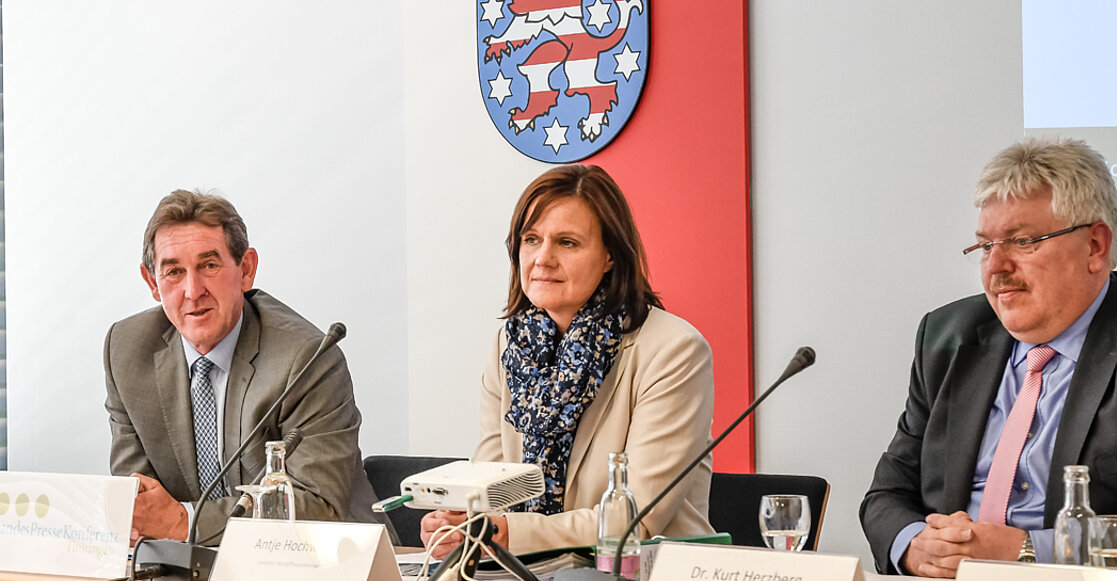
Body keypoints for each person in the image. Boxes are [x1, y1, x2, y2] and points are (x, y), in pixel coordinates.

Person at [860, 138, 1117, 581]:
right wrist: (916, 547)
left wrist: (1027, 551)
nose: (996, 266)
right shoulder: (949, 336)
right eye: (984, 246)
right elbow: (886, 496)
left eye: (1023, 241)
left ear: (1095, 245)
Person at [422, 164, 715, 555]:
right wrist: (458, 521)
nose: (543, 258)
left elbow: (637, 517)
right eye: (531, 239)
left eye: (567, 243)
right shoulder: (509, 348)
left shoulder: (673, 350)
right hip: (528, 575)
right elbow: (489, 486)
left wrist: (506, 532)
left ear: (610, 256)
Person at [104, 189, 380, 545]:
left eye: (209, 266)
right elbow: (138, 502)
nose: (192, 290)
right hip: (188, 574)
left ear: (246, 269)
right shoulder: (126, 350)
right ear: (152, 283)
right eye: (173, 271)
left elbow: (316, 505)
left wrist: (183, 523)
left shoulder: (306, 358)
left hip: (329, 566)